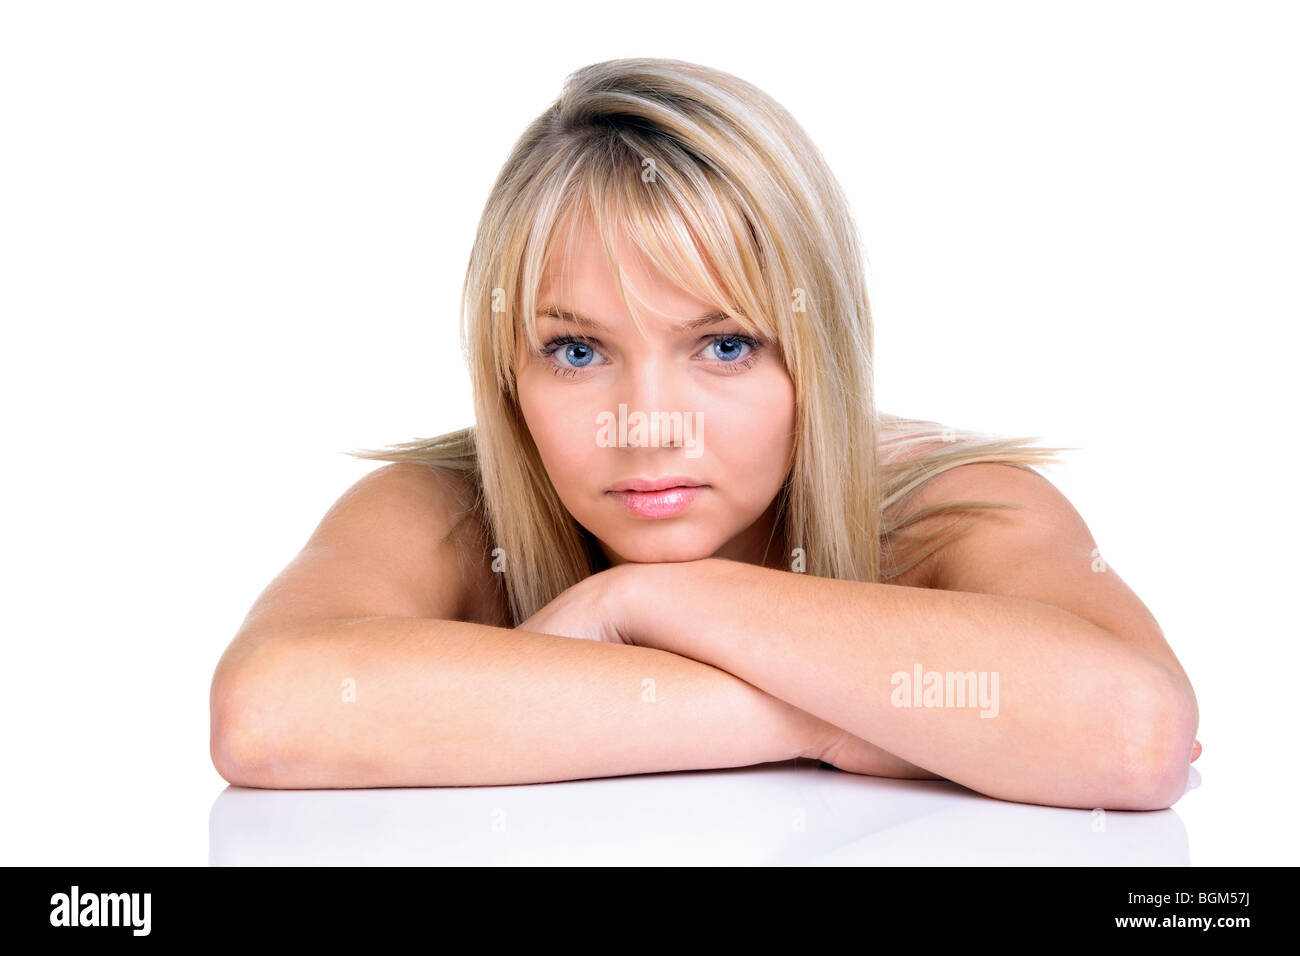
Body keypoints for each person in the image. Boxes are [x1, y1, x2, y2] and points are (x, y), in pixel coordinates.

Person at [210, 57, 1200, 809]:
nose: (648, 427)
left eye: (723, 345)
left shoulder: (949, 502)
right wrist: (828, 711)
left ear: (820, 360)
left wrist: (645, 599)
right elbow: (268, 713)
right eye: (577, 352)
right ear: (504, 371)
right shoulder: (448, 508)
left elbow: (1135, 731)